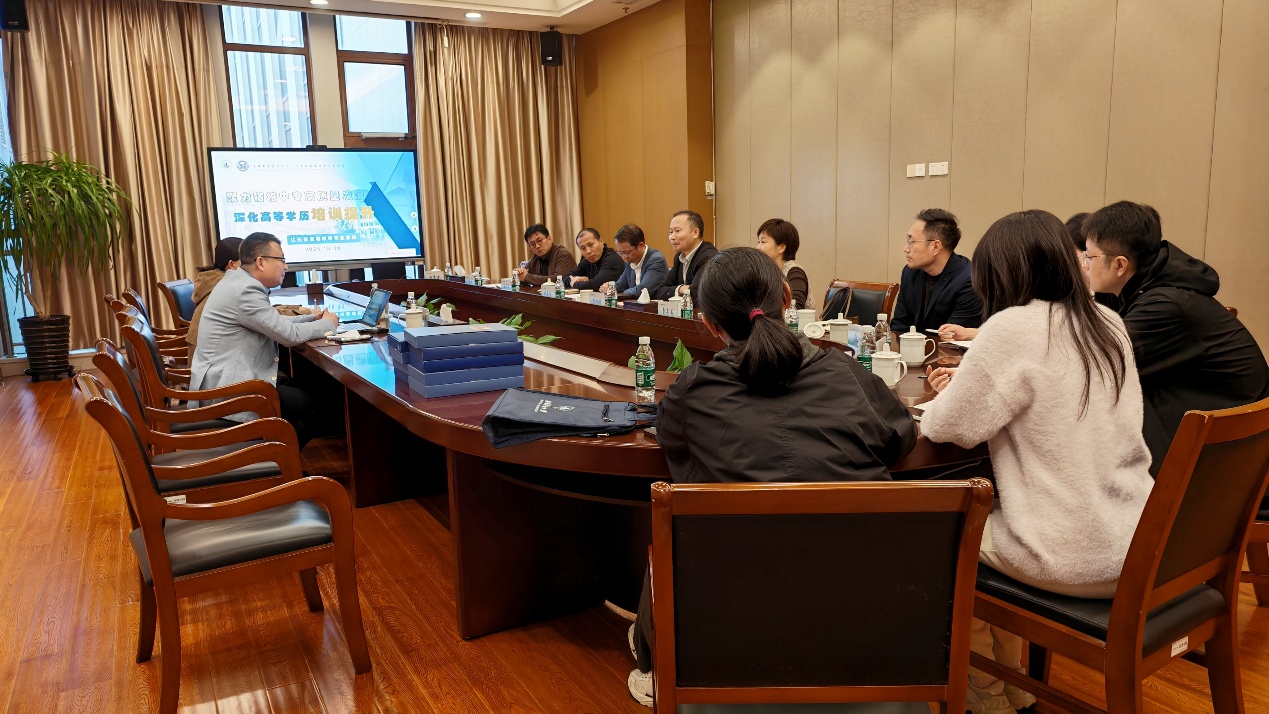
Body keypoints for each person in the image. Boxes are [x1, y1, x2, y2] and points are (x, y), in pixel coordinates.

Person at [627, 247, 918, 707]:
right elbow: (899, 437)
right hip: (865, 608)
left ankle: (654, 664)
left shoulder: (692, 391)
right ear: (786, 297)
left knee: (669, 540)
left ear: (708, 324)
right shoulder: (845, 371)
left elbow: (674, 447)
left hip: (736, 614)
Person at [919, 210, 1155, 714]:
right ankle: (1016, 685)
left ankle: (986, 696)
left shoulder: (1012, 328)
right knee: (990, 521)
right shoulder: (1108, 321)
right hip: (1142, 543)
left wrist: (948, 396)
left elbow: (946, 427)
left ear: (1001, 274)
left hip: (1073, 554)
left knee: (942, 537)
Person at [1083, 200, 1269, 476]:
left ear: (1120, 265)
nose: (1084, 265)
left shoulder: (1166, 305)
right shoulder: (1150, 286)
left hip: (1230, 455)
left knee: (1105, 396)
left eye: (1089, 257)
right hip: (1225, 431)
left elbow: (1100, 360)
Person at [190, 232, 341, 447]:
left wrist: (311, 319)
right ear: (261, 262)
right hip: (229, 389)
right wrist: (329, 324)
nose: (286, 267)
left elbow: (272, 323)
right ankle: (278, 458)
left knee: (312, 387)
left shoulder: (237, 281)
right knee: (316, 407)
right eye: (281, 260)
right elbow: (289, 335)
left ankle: (277, 453)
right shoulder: (245, 290)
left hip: (228, 378)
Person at [938, 211, 1116, 342]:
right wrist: (971, 333)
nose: (1084, 263)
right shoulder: (1108, 319)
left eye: (1088, 256)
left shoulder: (1101, 315)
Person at [890, 208, 982, 334]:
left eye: (911, 242)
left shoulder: (969, 280)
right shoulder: (910, 273)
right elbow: (899, 326)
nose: (906, 249)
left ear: (935, 247)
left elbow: (953, 337)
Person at [186, 236, 242, 349]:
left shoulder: (213, 279)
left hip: (205, 351)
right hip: (211, 355)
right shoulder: (229, 286)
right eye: (247, 261)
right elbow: (261, 319)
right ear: (231, 264)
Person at [652, 210, 718, 300]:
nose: (672, 237)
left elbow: (696, 294)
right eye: (671, 232)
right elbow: (660, 291)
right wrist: (681, 289)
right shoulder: (679, 257)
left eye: (677, 231)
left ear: (695, 233)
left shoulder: (709, 257)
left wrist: (680, 291)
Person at [754, 218, 813, 310]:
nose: (758, 247)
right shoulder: (765, 272)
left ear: (781, 247)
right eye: (758, 242)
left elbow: (794, 308)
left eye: (763, 242)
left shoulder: (795, 272)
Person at [600, 224, 668, 298]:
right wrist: (609, 288)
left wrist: (622, 293)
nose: (624, 257)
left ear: (640, 246)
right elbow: (621, 285)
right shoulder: (630, 261)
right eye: (620, 253)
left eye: (626, 252)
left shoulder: (656, 260)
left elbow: (642, 290)